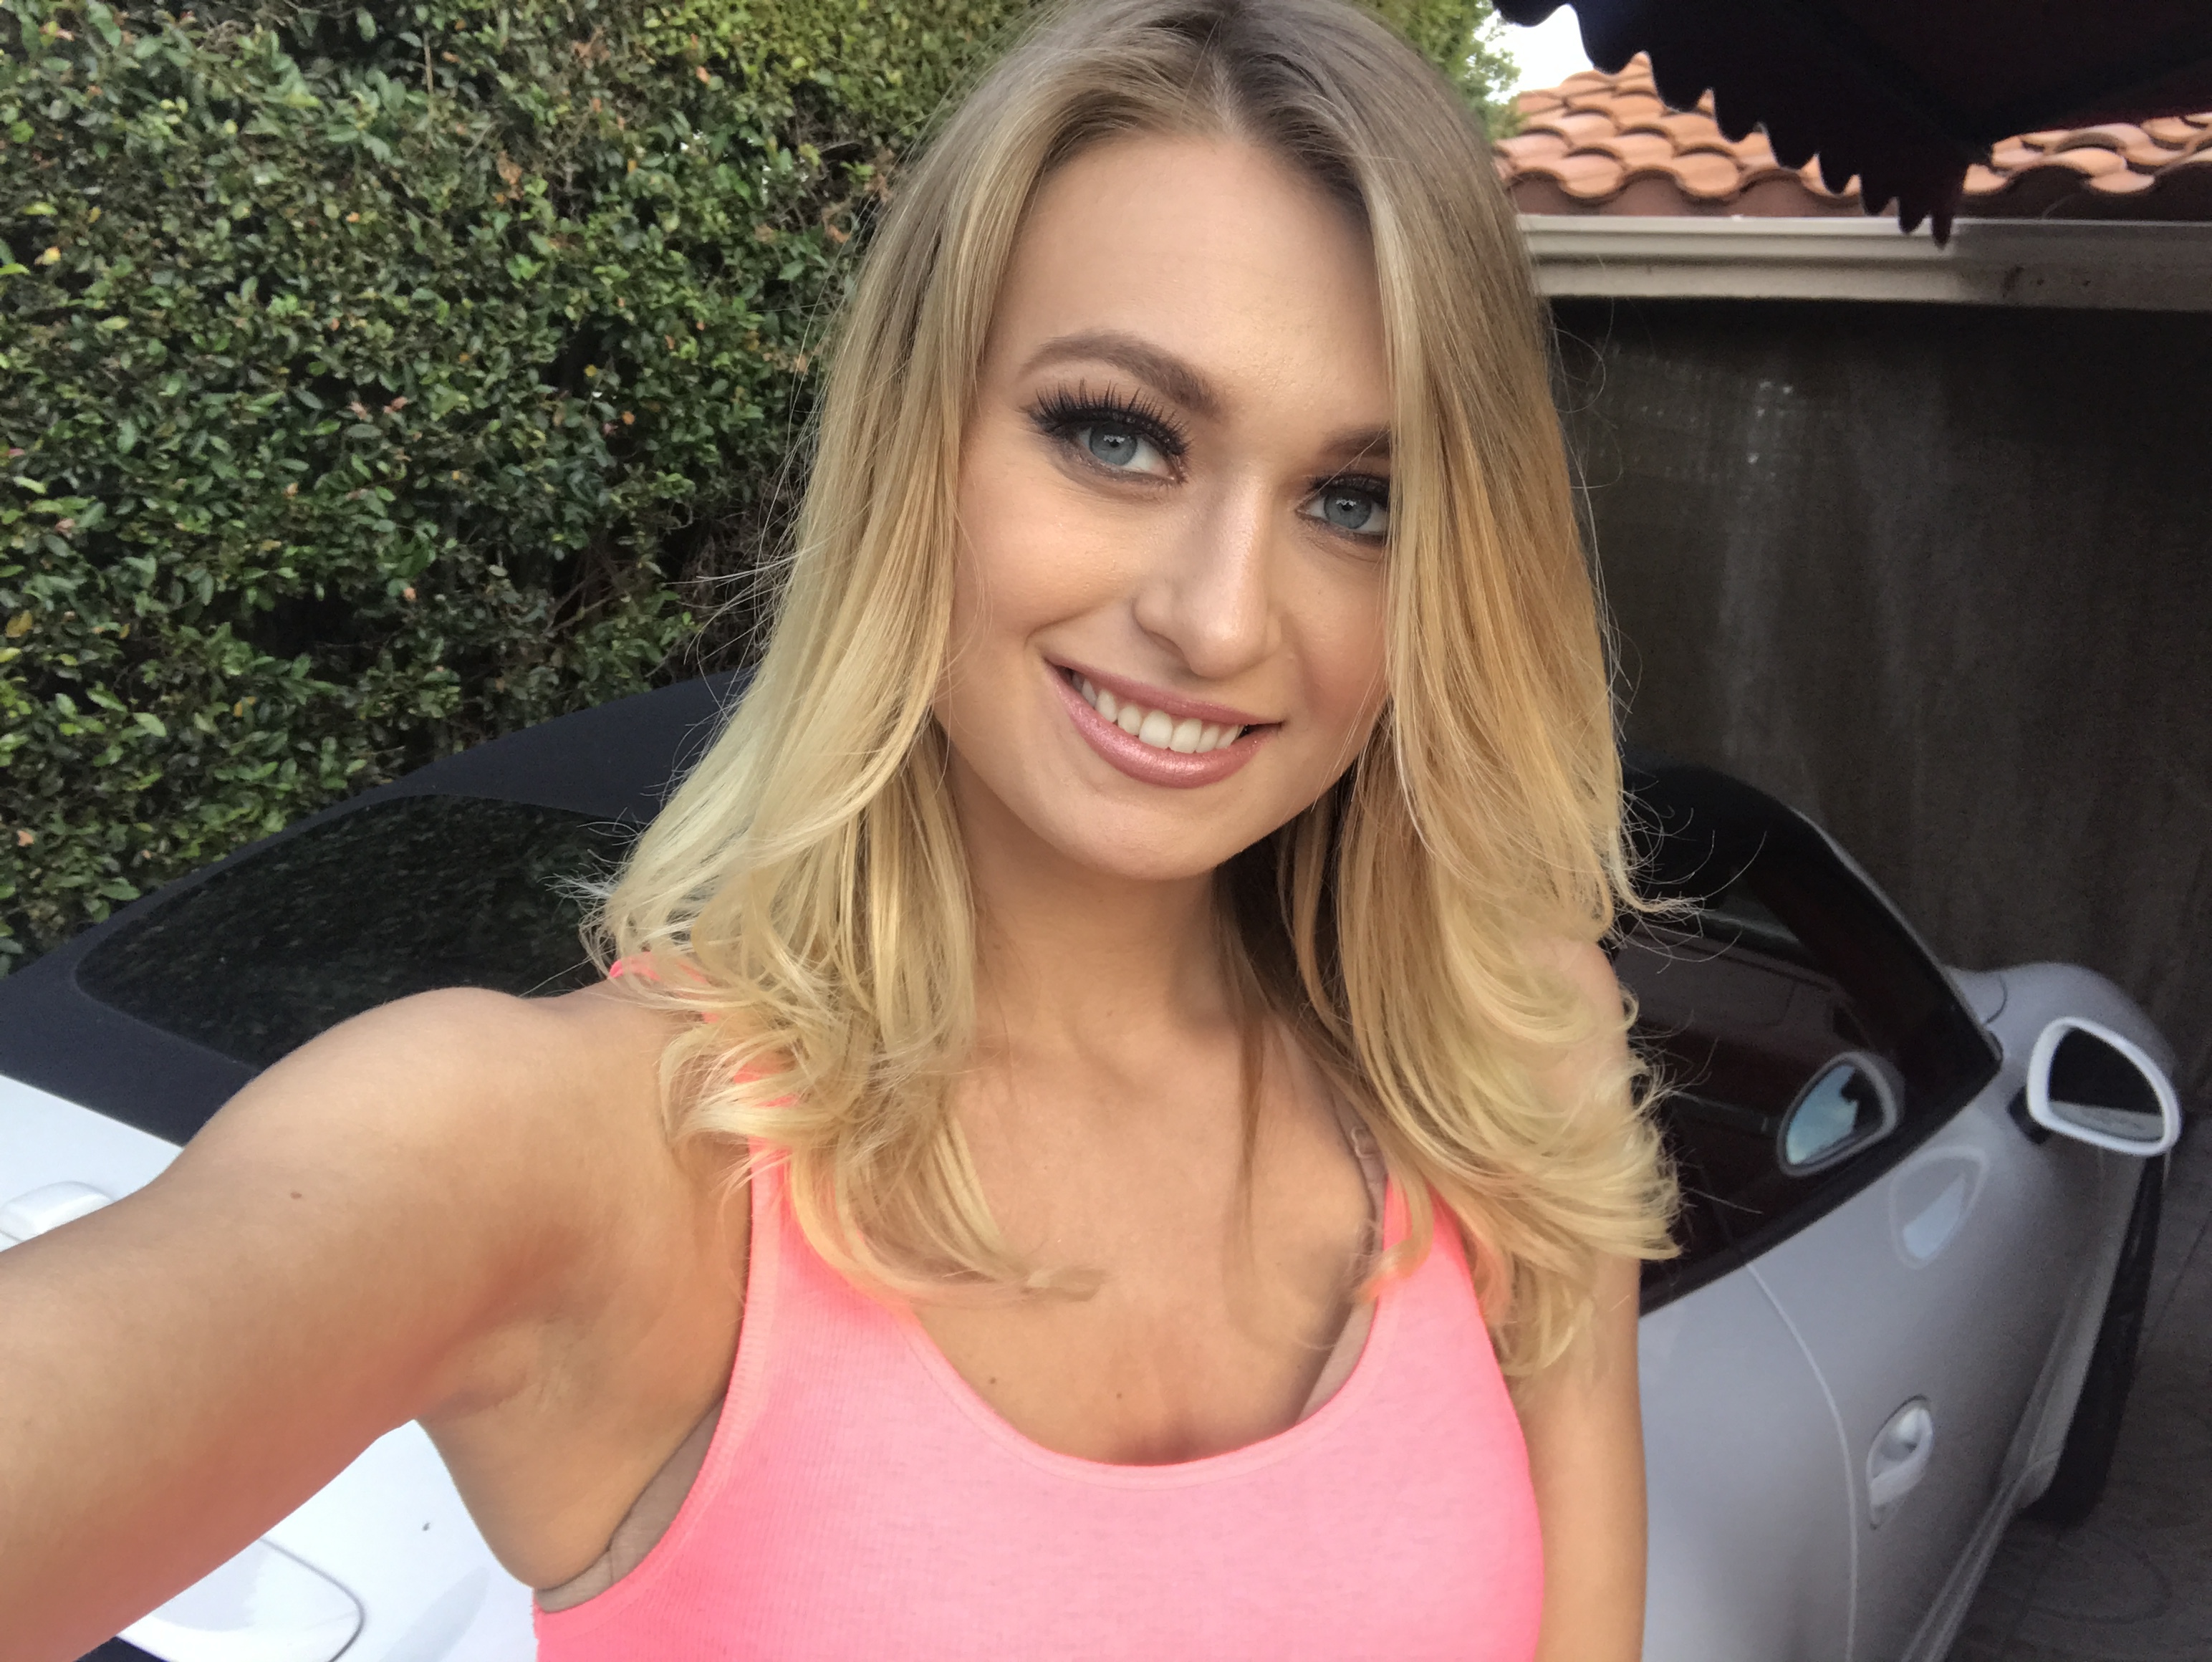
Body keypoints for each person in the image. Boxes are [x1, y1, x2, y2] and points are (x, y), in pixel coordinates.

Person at [1, 0, 1676, 1656]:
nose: (1221, 617)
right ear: (910, 437)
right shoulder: (586, 1152)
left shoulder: (1505, 1059)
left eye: (1357, 501)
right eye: (1115, 434)